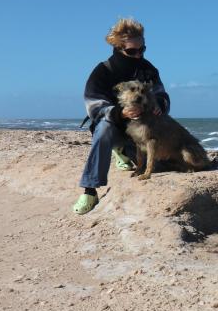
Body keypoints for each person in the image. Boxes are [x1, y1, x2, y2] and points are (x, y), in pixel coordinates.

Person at [72, 18, 170, 214]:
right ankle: (90, 190)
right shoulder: (103, 71)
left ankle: (123, 152)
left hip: (141, 130)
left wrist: (159, 104)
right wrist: (120, 112)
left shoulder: (149, 69)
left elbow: (161, 93)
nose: (138, 55)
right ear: (118, 48)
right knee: (104, 129)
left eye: (142, 49)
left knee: (162, 166)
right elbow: (93, 104)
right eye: (132, 51)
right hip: (114, 127)